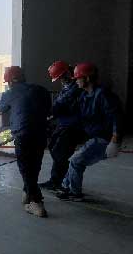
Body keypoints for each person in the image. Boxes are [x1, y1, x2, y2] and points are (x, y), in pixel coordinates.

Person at [57, 62, 120, 201]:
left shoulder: (103, 94)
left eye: (78, 78)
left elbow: (116, 117)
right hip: (95, 137)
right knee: (76, 160)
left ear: (87, 78)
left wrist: (114, 141)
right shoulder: (85, 96)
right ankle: (66, 186)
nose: (75, 81)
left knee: (75, 160)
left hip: (104, 139)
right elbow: (80, 116)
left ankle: (74, 193)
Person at [0, 66, 51, 217]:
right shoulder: (41, 90)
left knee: (26, 169)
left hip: (23, 135)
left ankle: (36, 203)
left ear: (10, 81)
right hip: (41, 134)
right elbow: (48, 110)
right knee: (35, 166)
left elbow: (0, 109)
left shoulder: (9, 93)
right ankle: (27, 192)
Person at [39, 61, 83, 191]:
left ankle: (58, 181)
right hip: (63, 123)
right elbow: (59, 102)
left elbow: (60, 104)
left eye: (62, 77)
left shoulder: (75, 88)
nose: (61, 80)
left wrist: (46, 113)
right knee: (53, 147)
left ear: (68, 73)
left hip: (72, 126)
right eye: (59, 78)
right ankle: (61, 179)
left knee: (60, 153)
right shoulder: (68, 86)